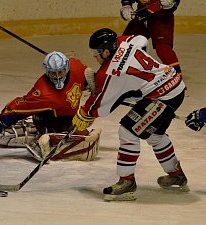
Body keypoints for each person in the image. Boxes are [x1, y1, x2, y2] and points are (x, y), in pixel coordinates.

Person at [72, 28, 188, 201]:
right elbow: (141, 39)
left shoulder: (111, 74)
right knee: (155, 135)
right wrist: (136, 84)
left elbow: (100, 107)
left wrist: (83, 116)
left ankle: (127, 182)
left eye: (96, 53)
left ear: (105, 51)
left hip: (162, 97)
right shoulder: (125, 41)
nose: (94, 57)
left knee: (127, 131)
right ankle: (176, 174)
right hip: (174, 83)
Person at [0, 51, 102, 161]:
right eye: (53, 73)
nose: (57, 77)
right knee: (81, 137)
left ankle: (38, 133)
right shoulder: (43, 93)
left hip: (69, 115)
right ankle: (42, 134)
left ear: (66, 67)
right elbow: (21, 105)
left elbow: (86, 72)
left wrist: (95, 84)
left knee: (82, 134)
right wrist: (0, 122)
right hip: (49, 119)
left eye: (60, 72)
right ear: (46, 71)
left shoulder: (75, 66)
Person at [119, 0, 182, 79]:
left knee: (163, 49)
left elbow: (173, 2)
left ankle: (177, 76)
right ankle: (124, 74)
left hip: (162, 17)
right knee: (125, 44)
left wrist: (173, 3)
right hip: (143, 14)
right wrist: (126, 5)